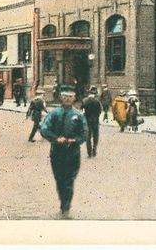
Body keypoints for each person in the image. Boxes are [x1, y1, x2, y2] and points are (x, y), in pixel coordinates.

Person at [40, 88, 88, 217]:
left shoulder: (78, 115)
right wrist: (55, 138)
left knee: (69, 179)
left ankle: (66, 205)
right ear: (61, 99)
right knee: (59, 178)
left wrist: (75, 140)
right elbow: (44, 128)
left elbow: (84, 133)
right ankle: (63, 201)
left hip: (72, 151)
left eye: (70, 97)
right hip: (57, 151)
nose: (67, 99)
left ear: (74, 99)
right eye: (65, 97)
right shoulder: (54, 113)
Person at [81, 87, 102, 156]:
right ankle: (94, 148)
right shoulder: (97, 101)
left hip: (87, 120)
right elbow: (99, 111)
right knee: (95, 136)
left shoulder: (85, 101)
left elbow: (82, 110)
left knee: (88, 136)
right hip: (95, 121)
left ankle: (89, 152)